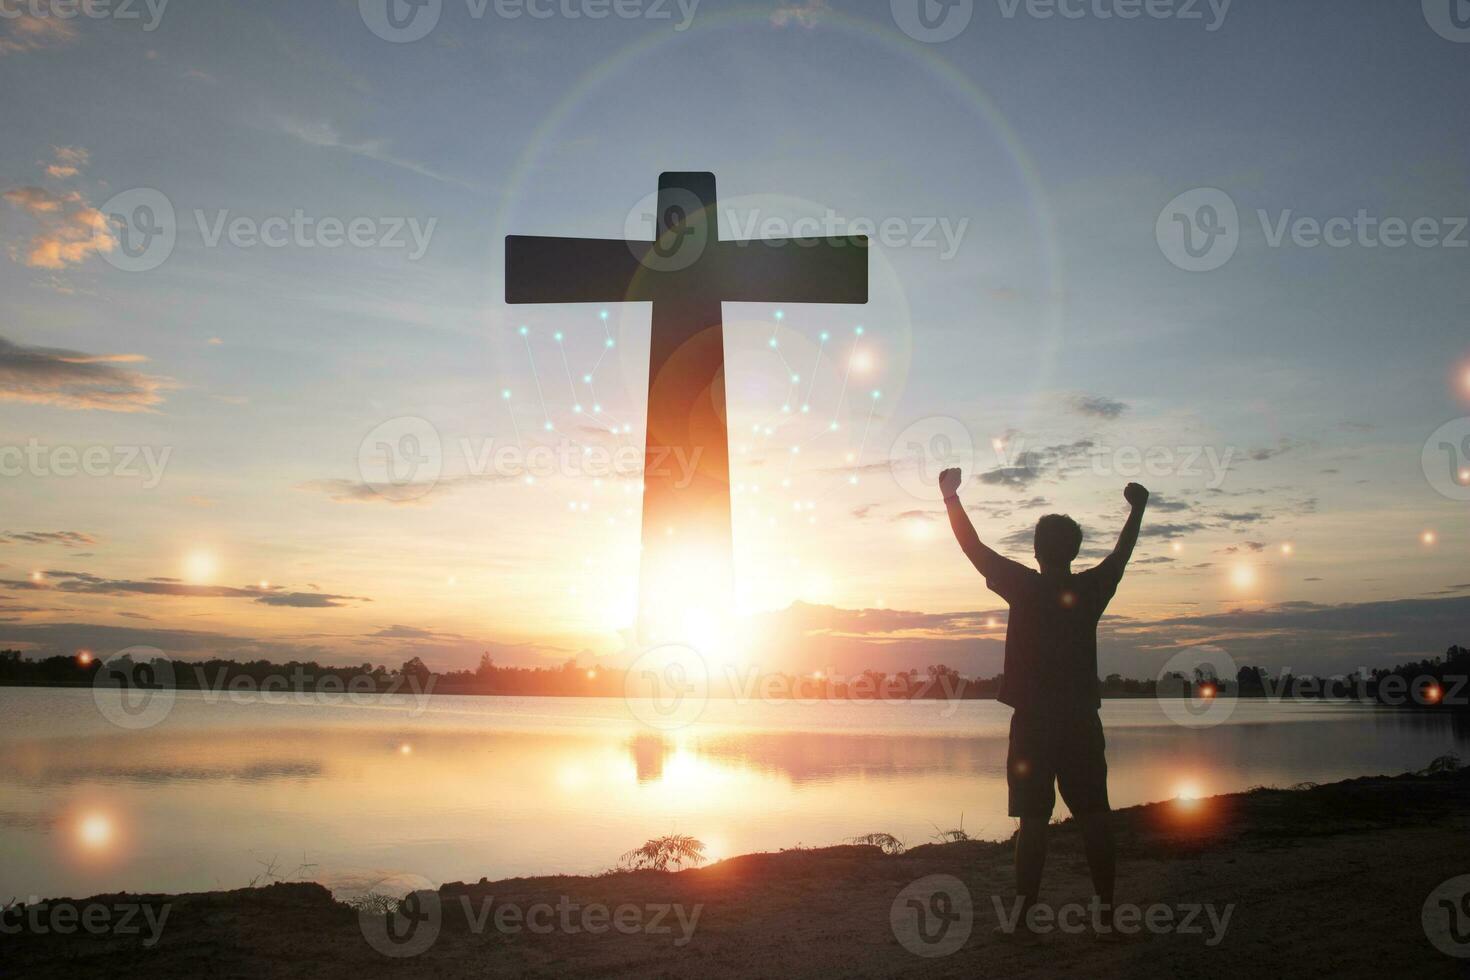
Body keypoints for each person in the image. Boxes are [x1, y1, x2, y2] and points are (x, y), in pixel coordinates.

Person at [938, 468, 1149, 939]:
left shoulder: (1024, 586)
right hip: (1080, 722)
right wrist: (1137, 509)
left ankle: (1026, 915)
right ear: (1073, 551)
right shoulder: (1090, 589)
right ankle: (1107, 911)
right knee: (1094, 814)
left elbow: (973, 548)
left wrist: (950, 497)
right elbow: (1122, 554)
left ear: (1036, 551)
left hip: (1033, 723)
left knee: (1033, 821)